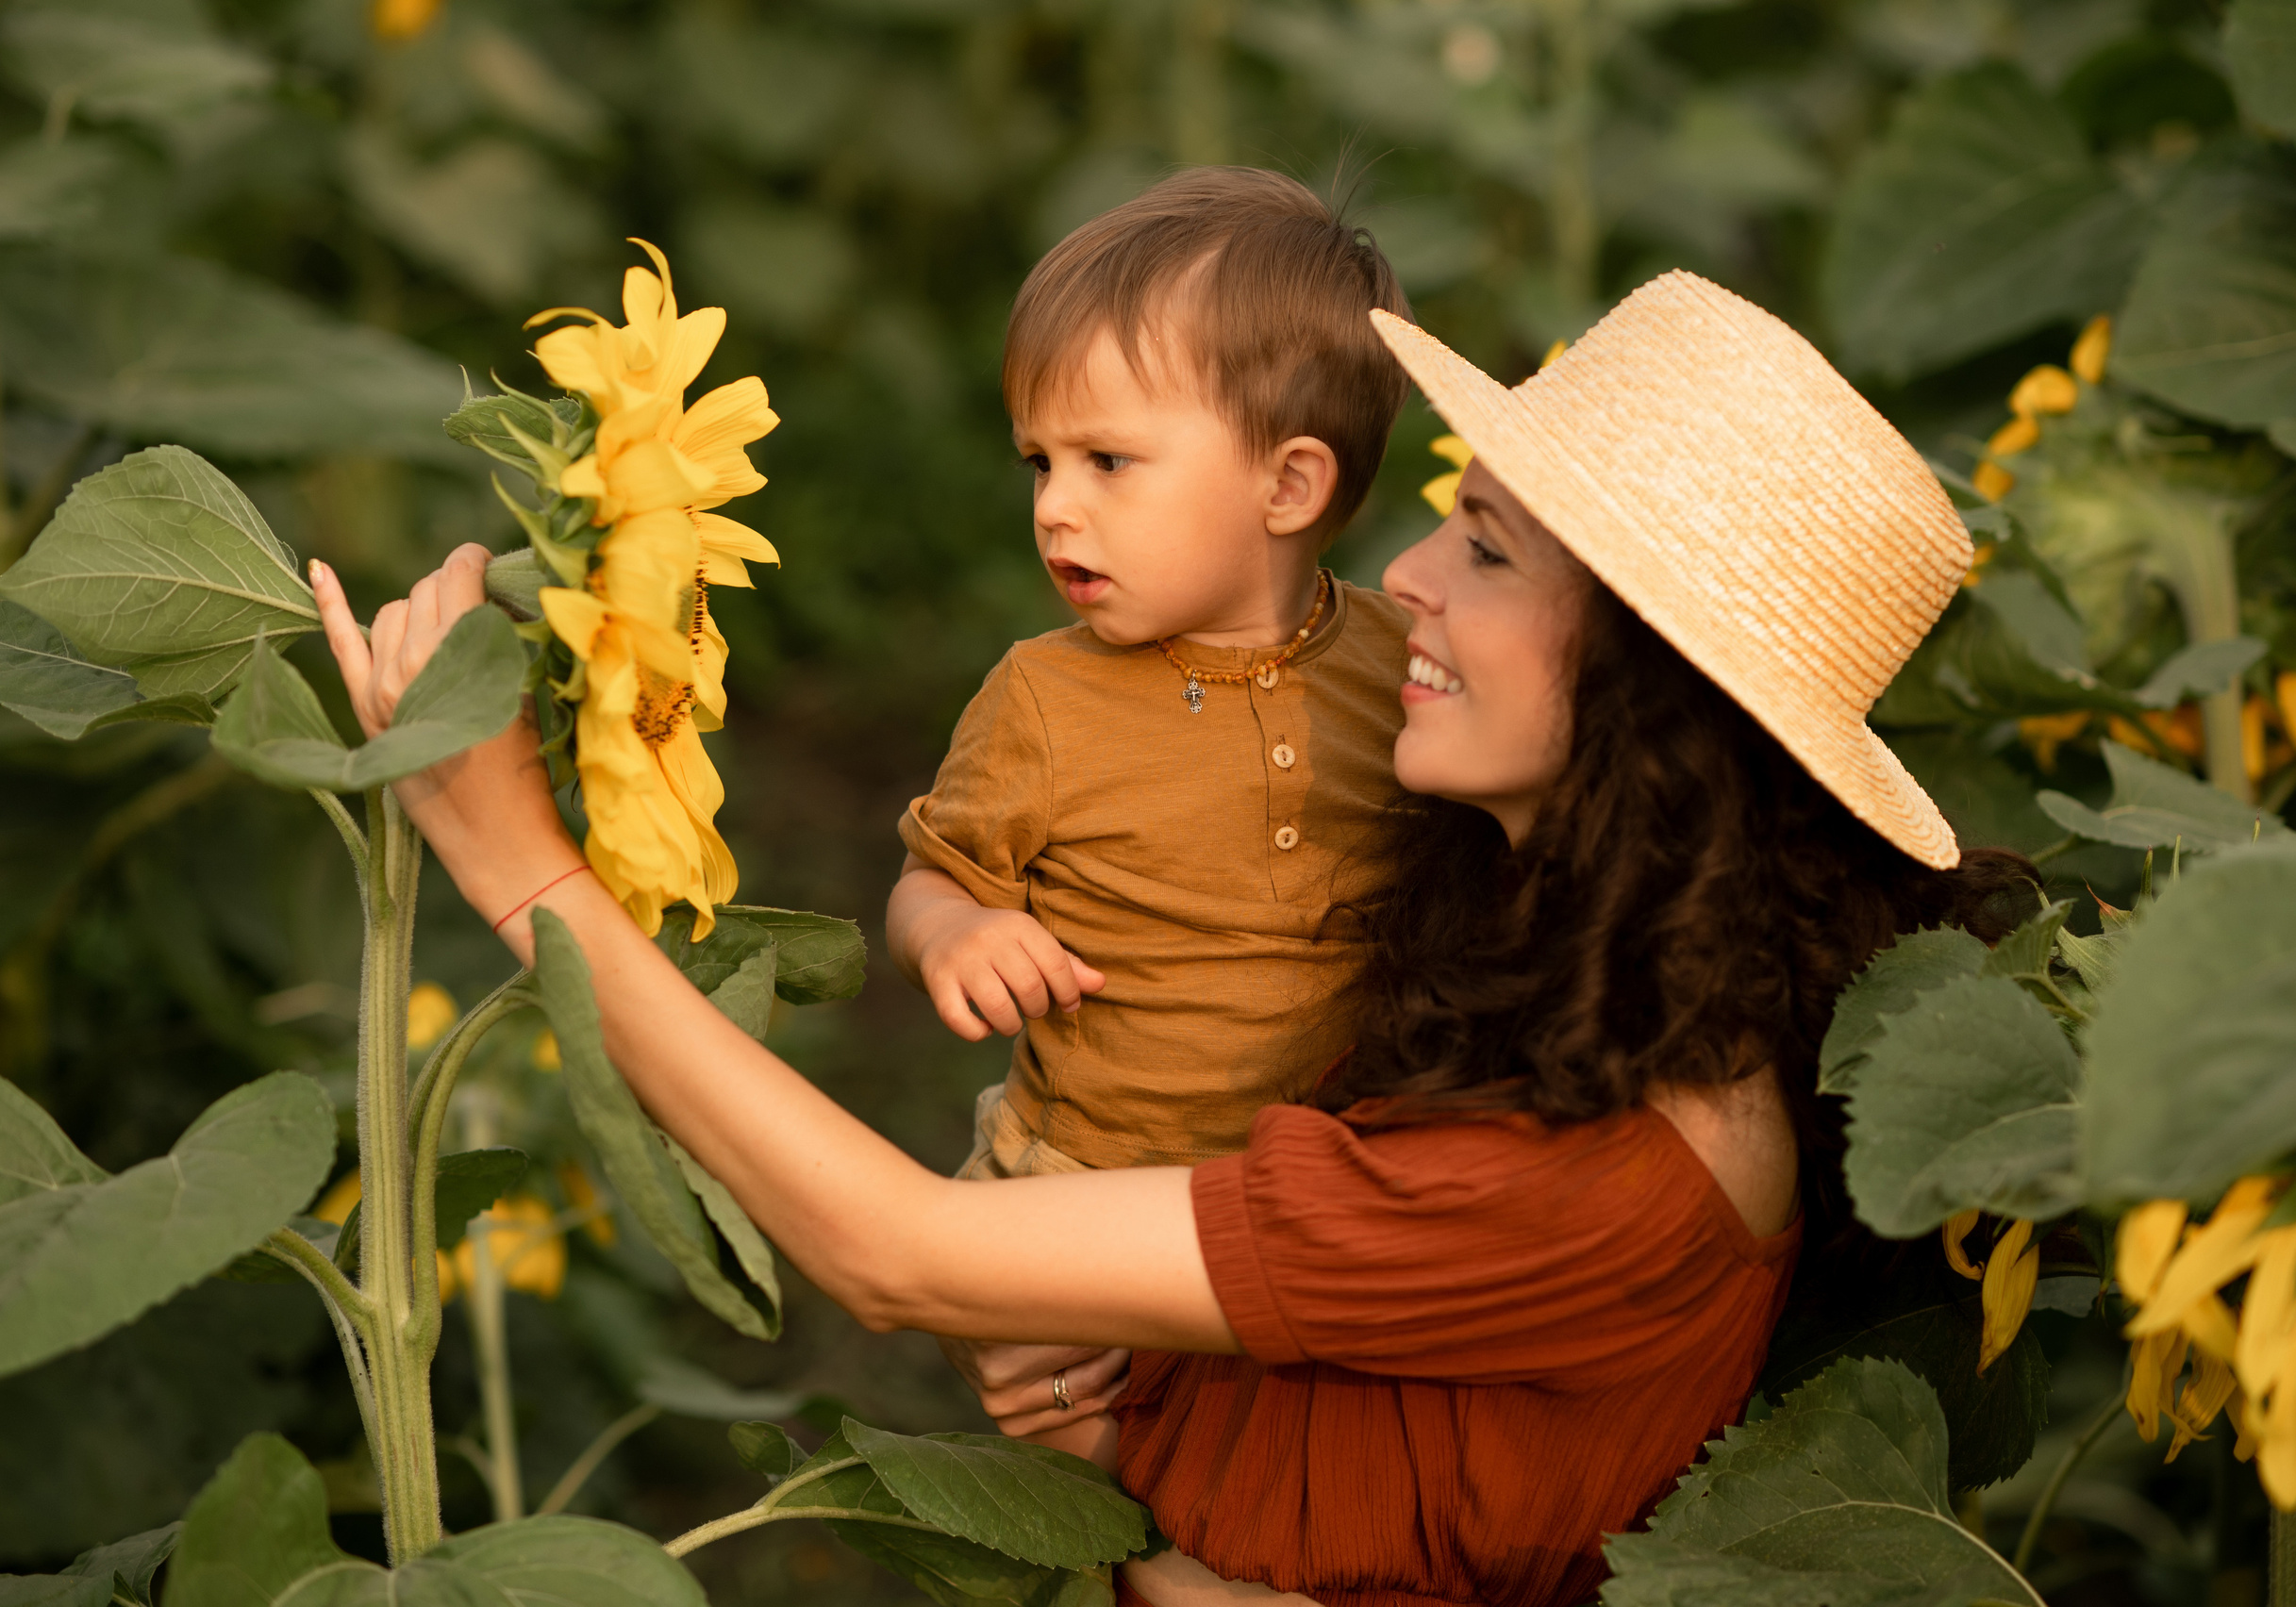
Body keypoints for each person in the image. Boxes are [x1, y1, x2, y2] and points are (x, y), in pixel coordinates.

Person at [308, 270, 2033, 1607]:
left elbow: (895, 1254)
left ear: (1657, 695)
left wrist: (524, 869)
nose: (1411, 576)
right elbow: (1402, 1403)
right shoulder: (1561, 962)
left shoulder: (1606, 1182)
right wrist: (1120, 1369)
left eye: (1489, 549)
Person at [887, 168, 1414, 1452]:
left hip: (1299, 1198)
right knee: (1103, 1488)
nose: (1055, 507)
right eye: (1041, 462)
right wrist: (955, 934)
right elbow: (930, 875)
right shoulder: (1046, 701)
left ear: (1288, 489)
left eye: (1109, 461)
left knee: (1279, 1483)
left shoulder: (1399, 669)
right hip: (1082, 1183)